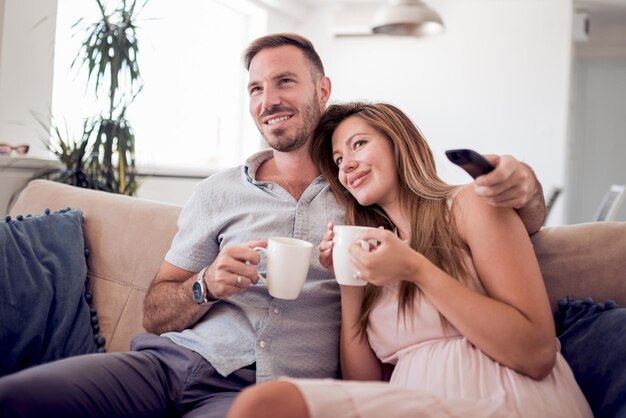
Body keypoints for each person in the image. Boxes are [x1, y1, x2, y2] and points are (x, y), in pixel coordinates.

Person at [0, 34, 546, 418]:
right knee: (19, 398)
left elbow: (479, 217)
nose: (269, 100)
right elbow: (155, 310)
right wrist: (204, 284)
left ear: (322, 89)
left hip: (265, 392)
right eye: (256, 89)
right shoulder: (218, 192)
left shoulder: (364, 202)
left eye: (284, 82)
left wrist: (527, 190)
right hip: (170, 363)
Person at [225, 102, 593, 418]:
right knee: (266, 405)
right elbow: (363, 386)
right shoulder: (377, 252)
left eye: (359, 145)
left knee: (269, 403)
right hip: (411, 403)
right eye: (338, 160)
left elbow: (536, 352)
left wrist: (416, 270)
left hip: (501, 395)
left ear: (399, 145)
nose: (347, 166)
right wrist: (349, 278)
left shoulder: (467, 205)